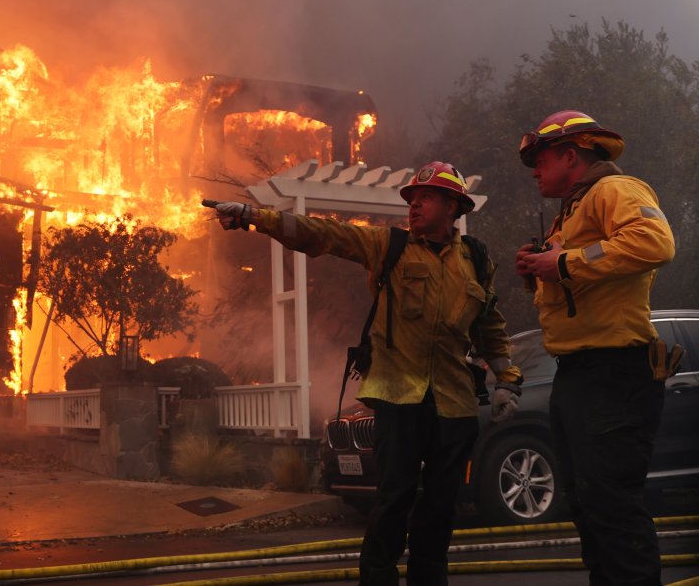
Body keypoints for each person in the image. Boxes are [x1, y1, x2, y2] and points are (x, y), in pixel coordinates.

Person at [209, 161, 519, 586]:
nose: (414, 205)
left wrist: (507, 380)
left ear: (453, 206)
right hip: (398, 397)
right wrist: (252, 217)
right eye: (411, 198)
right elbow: (322, 233)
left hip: (454, 404)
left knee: (442, 506)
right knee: (394, 499)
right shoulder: (386, 245)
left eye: (425, 197)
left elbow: (490, 326)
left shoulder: (476, 260)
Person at [515, 110, 675, 585]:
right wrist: (539, 271)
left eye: (540, 160)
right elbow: (580, 283)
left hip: (613, 374)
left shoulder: (616, 191)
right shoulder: (574, 211)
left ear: (571, 155)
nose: (535, 172)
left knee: (612, 510)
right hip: (582, 376)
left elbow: (655, 242)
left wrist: (562, 262)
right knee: (589, 506)